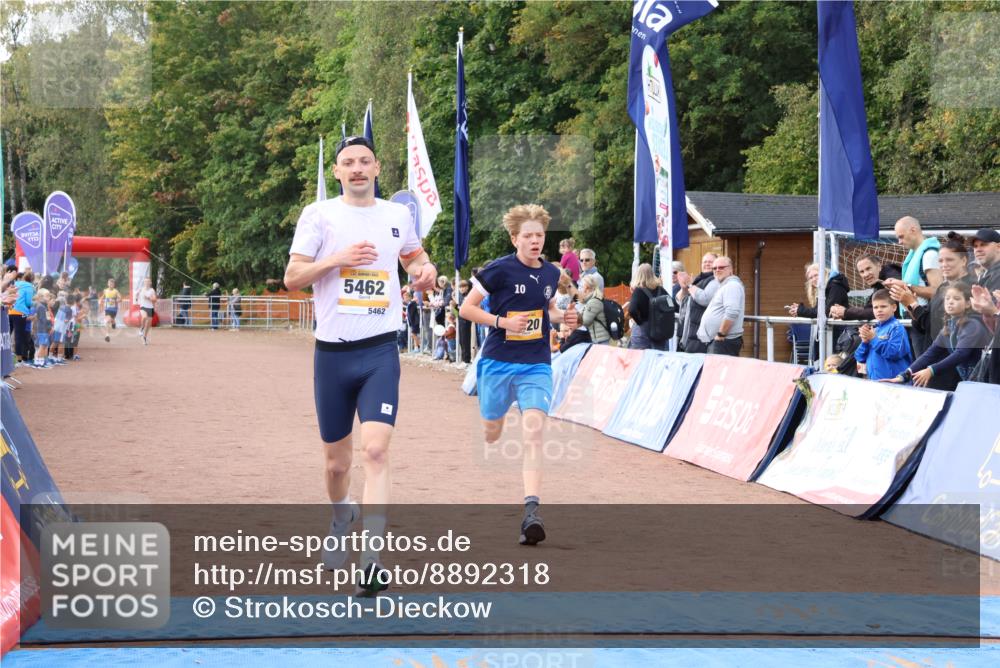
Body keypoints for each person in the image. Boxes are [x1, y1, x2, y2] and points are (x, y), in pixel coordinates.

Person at [283, 134, 436, 593]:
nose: (356, 168)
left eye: (364, 161)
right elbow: (293, 277)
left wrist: (424, 271)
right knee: (336, 465)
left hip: (379, 351)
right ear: (337, 172)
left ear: (377, 167)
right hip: (332, 354)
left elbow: (414, 257)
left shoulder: (397, 215)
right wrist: (338, 259)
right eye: (347, 162)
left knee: (376, 451)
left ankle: (371, 560)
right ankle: (340, 516)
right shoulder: (318, 215)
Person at [458, 204, 577, 546]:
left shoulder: (551, 273)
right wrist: (503, 322)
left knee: (534, 433)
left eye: (540, 235)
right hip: (497, 362)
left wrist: (563, 318)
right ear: (515, 239)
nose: (535, 241)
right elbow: (466, 308)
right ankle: (492, 421)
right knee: (492, 430)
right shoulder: (499, 270)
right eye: (528, 236)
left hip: (536, 364)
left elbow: (548, 309)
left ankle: (531, 512)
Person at [889, 232, 970, 390]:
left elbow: (938, 327)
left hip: (952, 371)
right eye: (940, 260)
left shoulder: (968, 288)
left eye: (949, 260)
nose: (944, 264)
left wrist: (912, 303)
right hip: (933, 364)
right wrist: (907, 303)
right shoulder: (943, 287)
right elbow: (924, 326)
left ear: (963, 260)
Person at [884, 283, 990, 391]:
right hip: (972, 382)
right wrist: (905, 374)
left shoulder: (973, 325)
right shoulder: (948, 327)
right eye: (947, 298)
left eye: (956, 298)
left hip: (987, 383)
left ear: (968, 304)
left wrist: (931, 370)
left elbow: (961, 353)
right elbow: (931, 353)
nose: (950, 302)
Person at [788, 263, 851, 352]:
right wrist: (799, 310)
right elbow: (818, 311)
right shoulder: (825, 289)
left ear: (823, 273)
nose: (814, 279)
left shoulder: (835, 286)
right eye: (811, 278)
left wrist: (801, 311)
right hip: (832, 332)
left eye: (816, 275)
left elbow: (826, 312)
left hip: (840, 334)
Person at [853, 289, 911, 381]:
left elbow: (894, 353)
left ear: (894, 307)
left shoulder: (897, 328)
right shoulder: (874, 329)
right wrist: (865, 343)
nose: (879, 310)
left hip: (894, 384)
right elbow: (859, 358)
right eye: (875, 307)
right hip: (875, 382)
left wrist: (873, 339)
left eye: (883, 306)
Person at [696, 256, 745, 356]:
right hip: (720, 341)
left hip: (724, 341)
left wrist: (720, 335)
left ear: (730, 269)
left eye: (721, 267)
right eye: (714, 268)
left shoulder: (732, 285)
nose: (717, 270)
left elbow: (732, 312)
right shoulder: (725, 285)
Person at [675, 253, 718, 353]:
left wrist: (690, 285)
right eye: (704, 262)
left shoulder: (715, 281)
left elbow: (705, 299)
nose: (707, 264)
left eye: (710, 262)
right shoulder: (697, 279)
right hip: (688, 332)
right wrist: (684, 288)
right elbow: (679, 300)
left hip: (701, 334)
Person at [627, 263, 672, 351]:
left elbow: (632, 310)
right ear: (652, 274)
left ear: (638, 275)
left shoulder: (638, 291)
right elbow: (672, 304)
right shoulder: (661, 290)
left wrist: (639, 322)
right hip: (659, 331)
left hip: (642, 333)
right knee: (660, 357)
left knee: (640, 358)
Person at [8, 270, 35, 363]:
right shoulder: (29, 287)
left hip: (10, 311)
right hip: (20, 313)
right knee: (19, 337)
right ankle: (19, 360)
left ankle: (6, 357)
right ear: (32, 280)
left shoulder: (16, 283)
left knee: (7, 334)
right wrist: (34, 303)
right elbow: (28, 302)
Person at [579, 274, 610, 345]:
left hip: (600, 340)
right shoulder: (592, 299)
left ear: (587, 288)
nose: (581, 290)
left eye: (582, 287)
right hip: (598, 339)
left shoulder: (593, 301)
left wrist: (577, 315)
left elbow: (585, 321)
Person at [29, 289, 53, 368]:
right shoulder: (41, 307)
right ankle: (37, 363)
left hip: (42, 329)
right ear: (41, 297)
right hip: (42, 329)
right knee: (42, 346)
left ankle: (41, 362)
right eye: (47, 296)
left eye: (49, 295)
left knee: (43, 346)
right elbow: (44, 319)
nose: (49, 297)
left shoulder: (43, 306)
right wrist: (49, 327)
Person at [972, 228, 1000, 293]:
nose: (978, 250)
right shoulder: (988, 274)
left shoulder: (997, 275)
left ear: (998, 247)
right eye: (975, 246)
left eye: (983, 244)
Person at [136, 277, 157, 344]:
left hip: (150, 307)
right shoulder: (141, 289)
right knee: (144, 317)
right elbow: (136, 295)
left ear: (150, 283)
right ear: (144, 283)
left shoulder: (152, 290)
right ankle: (141, 329)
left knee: (148, 324)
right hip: (143, 306)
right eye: (145, 281)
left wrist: (148, 298)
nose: (147, 283)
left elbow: (155, 300)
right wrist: (137, 298)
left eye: (148, 281)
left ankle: (144, 337)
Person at [101, 278, 122, 343]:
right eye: (110, 284)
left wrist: (115, 301)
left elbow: (120, 299)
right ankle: (107, 335)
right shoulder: (105, 290)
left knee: (111, 320)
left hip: (114, 309)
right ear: (108, 284)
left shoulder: (116, 291)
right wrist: (100, 300)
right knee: (108, 320)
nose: (111, 285)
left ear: (114, 285)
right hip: (107, 309)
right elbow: (102, 297)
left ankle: (114, 323)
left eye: (112, 284)